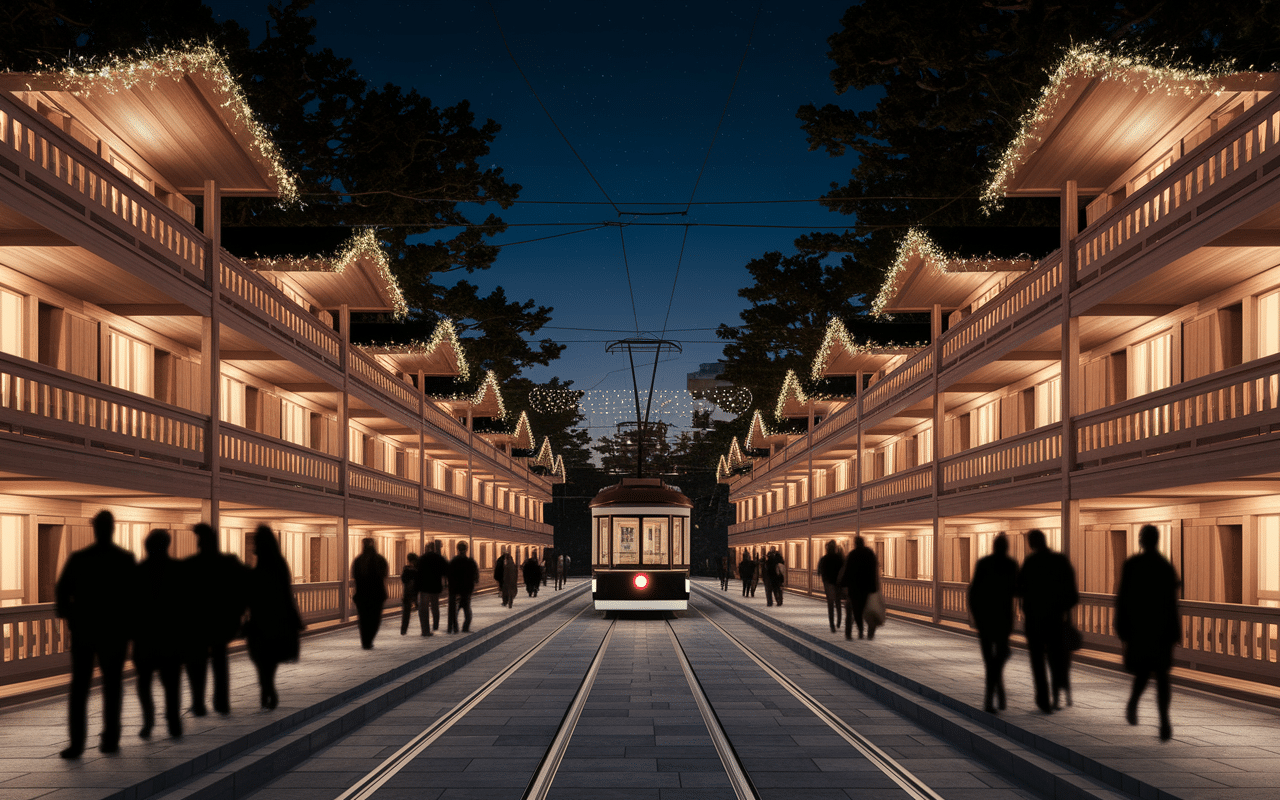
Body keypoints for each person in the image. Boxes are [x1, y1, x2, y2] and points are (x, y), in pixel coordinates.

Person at [55, 510, 137, 758]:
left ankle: (77, 743)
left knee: (80, 686)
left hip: (85, 629)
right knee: (112, 685)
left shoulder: (80, 559)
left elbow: (61, 591)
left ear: (95, 528)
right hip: (114, 631)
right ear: (112, 528)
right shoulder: (124, 559)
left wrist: (70, 616)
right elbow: (135, 597)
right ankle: (110, 738)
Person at [1117, 525, 1180, 741]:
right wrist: (1175, 630)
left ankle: (1135, 703)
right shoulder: (1165, 567)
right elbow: (1172, 604)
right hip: (1161, 629)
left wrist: (1121, 626)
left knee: (1143, 671)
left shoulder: (1133, 565)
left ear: (1142, 541)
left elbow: (1123, 598)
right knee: (1161, 676)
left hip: (1140, 628)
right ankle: (1163, 719)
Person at [185, 522, 248, 716]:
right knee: (218, 660)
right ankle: (220, 702)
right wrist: (238, 612)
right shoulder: (228, 562)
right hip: (220, 621)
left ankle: (199, 702)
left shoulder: (193, 565)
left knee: (198, 661)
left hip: (202, 622)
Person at [1016, 529, 1079, 714]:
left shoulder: (1030, 562)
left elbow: (1019, 589)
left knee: (1037, 660)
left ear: (1032, 544)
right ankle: (1056, 696)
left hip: (1034, 620)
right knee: (1056, 658)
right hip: (1056, 620)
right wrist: (1063, 609)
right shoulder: (1060, 561)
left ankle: (1043, 699)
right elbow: (1072, 593)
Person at [133, 529, 185, 741]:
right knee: (172, 682)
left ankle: (148, 721)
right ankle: (173, 721)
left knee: (144, 681)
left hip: (145, 636)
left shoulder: (138, 572)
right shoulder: (177, 570)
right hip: (170, 636)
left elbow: (130, 606)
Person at [244, 525, 303, 710]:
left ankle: (267, 689)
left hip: (268, 619)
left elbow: (272, 590)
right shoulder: (276, 563)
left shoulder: (269, 565)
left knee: (263, 657)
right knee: (264, 658)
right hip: (271, 618)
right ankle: (267, 688)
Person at [968, 534, 1019, 713]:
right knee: (1000, 655)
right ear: (1006, 547)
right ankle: (995, 693)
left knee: (990, 659)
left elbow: (973, 591)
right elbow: (1017, 590)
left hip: (985, 619)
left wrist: (974, 615)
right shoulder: (1010, 565)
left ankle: (993, 694)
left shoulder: (984, 563)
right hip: (1002, 619)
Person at [351, 538, 389, 649]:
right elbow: (384, 574)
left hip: (362, 595)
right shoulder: (380, 560)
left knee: (363, 619)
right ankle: (368, 639)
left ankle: (365, 640)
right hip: (376, 595)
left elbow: (355, 576)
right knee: (374, 619)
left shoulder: (358, 561)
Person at [842, 536, 879, 640]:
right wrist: (875, 586)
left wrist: (843, 584)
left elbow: (847, 571)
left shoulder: (852, 554)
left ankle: (861, 630)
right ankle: (869, 629)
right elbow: (874, 570)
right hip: (867, 587)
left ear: (855, 543)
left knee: (857, 610)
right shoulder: (869, 553)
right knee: (866, 609)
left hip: (855, 588)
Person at [415, 541, 447, 635]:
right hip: (434, 586)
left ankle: (425, 630)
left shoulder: (421, 559)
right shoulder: (438, 558)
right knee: (434, 607)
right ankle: (435, 625)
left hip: (424, 587)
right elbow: (445, 571)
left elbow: (417, 573)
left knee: (423, 609)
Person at [447, 541, 479, 633]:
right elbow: (475, 577)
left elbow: (449, 575)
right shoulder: (470, 562)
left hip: (454, 590)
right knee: (467, 610)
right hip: (466, 590)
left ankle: (453, 628)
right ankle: (465, 627)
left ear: (457, 549)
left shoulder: (453, 561)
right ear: (466, 549)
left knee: (454, 611)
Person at [817, 541, 845, 633]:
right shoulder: (839, 558)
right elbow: (843, 569)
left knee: (830, 604)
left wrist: (824, 579)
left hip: (828, 583)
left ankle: (832, 624)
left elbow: (820, 570)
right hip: (837, 583)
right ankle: (839, 621)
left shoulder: (824, 558)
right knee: (838, 603)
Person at [400, 553, 419, 635]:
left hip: (408, 592)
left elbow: (403, 579)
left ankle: (404, 629)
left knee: (406, 612)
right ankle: (425, 628)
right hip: (414, 592)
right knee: (420, 610)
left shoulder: (406, 569)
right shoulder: (414, 570)